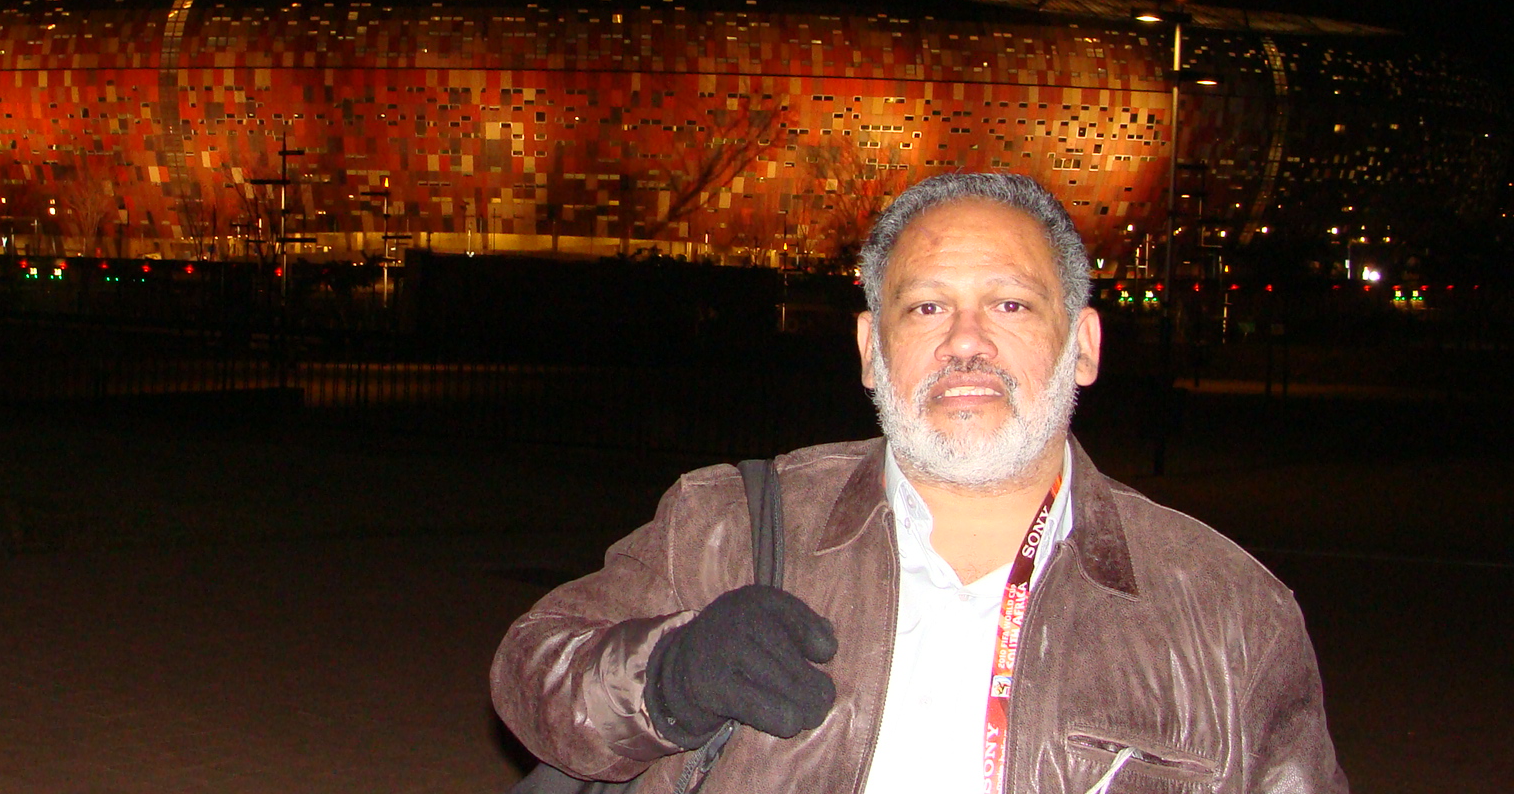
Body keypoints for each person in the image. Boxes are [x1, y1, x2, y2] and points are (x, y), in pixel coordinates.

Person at [491, 172, 1345, 793]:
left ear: (1083, 346)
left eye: (1010, 305)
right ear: (872, 351)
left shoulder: (1226, 611)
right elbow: (530, 673)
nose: (966, 342)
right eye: (927, 307)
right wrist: (666, 678)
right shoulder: (730, 525)